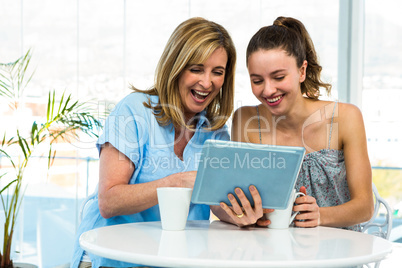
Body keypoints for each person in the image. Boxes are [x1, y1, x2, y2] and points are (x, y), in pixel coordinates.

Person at [71, 17, 236, 268]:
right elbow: (109, 201)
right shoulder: (134, 111)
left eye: (218, 72)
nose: (207, 82)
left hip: (170, 259)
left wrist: (242, 211)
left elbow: (219, 204)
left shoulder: (215, 132)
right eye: (196, 69)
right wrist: (177, 182)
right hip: (111, 257)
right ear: (176, 67)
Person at [211, 16, 373, 230]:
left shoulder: (346, 117)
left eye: (278, 77)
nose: (268, 90)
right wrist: (247, 213)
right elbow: (238, 198)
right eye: (257, 80)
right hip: (272, 252)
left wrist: (319, 215)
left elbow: (365, 207)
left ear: (302, 71)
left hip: (337, 251)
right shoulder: (245, 120)